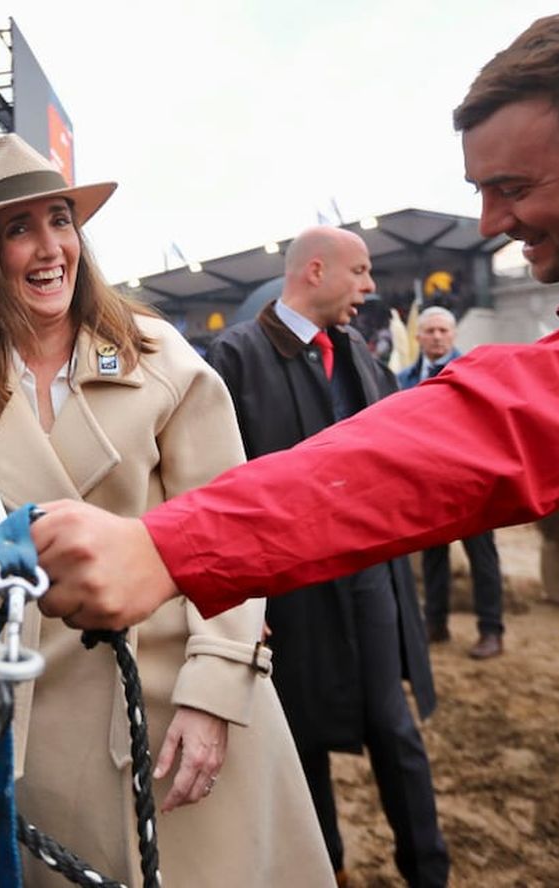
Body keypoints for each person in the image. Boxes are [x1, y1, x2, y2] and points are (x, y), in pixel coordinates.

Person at [0, 134, 330, 887]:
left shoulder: (161, 359)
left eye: (59, 220)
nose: (49, 246)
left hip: (181, 715)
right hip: (30, 740)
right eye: (17, 229)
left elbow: (232, 533)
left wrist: (217, 691)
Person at [29, 13, 559, 628]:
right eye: (481, 193)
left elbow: (476, 434)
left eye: (514, 188)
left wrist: (170, 547)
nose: (491, 224)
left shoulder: (354, 350)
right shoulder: (234, 353)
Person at [204, 226, 447, 886]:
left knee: (393, 731)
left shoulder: (362, 360)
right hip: (287, 597)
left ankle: (428, 870)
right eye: (361, 272)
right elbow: (216, 489)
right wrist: (241, 602)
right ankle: (323, 871)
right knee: (300, 743)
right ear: (314, 271)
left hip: (370, 585)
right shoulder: (233, 359)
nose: (369, 288)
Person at [398, 306, 506, 659]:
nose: (437, 337)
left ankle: (491, 630)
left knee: (483, 559)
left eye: (444, 330)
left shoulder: (476, 372)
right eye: (430, 331)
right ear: (418, 336)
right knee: (433, 559)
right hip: (429, 485)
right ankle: (436, 624)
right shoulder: (402, 379)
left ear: (454, 335)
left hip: (472, 483)